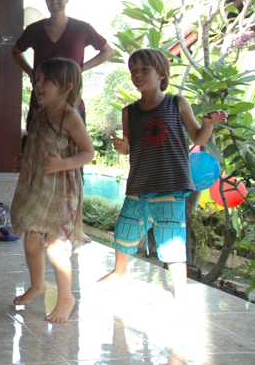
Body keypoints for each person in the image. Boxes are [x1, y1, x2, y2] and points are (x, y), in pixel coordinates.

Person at [97, 48, 227, 312]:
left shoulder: (177, 103)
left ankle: (182, 296)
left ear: (161, 74)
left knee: (172, 241)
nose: (137, 75)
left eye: (144, 69)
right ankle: (119, 271)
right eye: (133, 70)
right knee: (124, 232)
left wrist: (208, 124)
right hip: (140, 182)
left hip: (171, 182)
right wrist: (123, 147)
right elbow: (132, 146)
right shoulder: (129, 111)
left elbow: (198, 138)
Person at [11, 58, 94, 323]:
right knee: (32, 241)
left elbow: (88, 152)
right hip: (38, 187)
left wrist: (63, 164)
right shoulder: (38, 114)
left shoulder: (70, 117)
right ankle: (38, 285)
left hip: (61, 191)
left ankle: (66, 297)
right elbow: (35, 144)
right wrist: (25, 159)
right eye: (37, 80)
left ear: (66, 88)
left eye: (46, 80)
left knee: (56, 247)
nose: (38, 85)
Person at [11, 0, 114, 129]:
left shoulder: (82, 28)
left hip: (72, 104)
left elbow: (108, 51)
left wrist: (80, 68)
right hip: (40, 105)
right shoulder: (34, 30)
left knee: (74, 143)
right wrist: (30, 71)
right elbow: (15, 51)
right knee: (36, 143)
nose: (55, 1)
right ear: (46, 1)